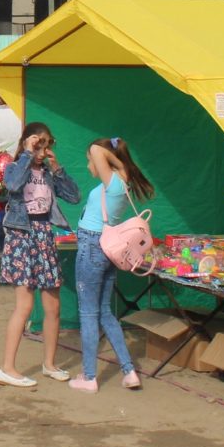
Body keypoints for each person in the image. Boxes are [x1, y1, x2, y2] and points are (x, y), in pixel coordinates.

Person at [0, 124, 82, 388]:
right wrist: (26, 153)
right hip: (22, 234)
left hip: (44, 233)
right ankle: (7, 368)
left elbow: (74, 197)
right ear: (27, 142)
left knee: (53, 306)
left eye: (46, 145)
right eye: (39, 144)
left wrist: (57, 169)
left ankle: (50, 364)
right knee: (25, 306)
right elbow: (12, 184)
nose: (43, 151)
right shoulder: (15, 165)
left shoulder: (46, 171)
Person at [70, 137, 153, 393]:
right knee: (105, 312)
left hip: (92, 246)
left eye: (90, 161)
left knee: (88, 313)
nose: (89, 165)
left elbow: (95, 149)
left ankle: (89, 376)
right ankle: (129, 371)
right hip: (107, 248)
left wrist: (109, 156)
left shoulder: (113, 180)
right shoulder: (123, 177)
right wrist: (118, 160)